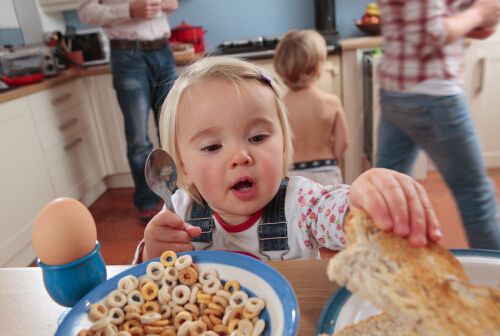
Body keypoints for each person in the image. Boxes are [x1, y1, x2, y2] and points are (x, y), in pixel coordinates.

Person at [133, 56, 442, 262]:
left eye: (257, 138)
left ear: (282, 144)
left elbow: (335, 214)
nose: (241, 156)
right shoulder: (180, 210)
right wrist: (153, 251)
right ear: (183, 167)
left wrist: (361, 202)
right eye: (213, 147)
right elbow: (152, 280)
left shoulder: (301, 202)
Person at [376, 0, 500, 249]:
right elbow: (428, 36)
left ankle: (381, 272)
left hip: (395, 94)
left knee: (387, 191)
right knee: (476, 196)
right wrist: (478, 14)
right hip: (434, 97)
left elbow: (417, 22)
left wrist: (467, 17)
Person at [78, 0, 178, 222]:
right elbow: (86, 12)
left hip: (164, 50)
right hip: (128, 55)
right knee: (138, 139)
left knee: (173, 129)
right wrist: (129, 10)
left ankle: (180, 195)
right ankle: (147, 201)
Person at [274, 29, 348, 186]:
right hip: (326, 171)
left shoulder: (278, 106)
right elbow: (343, 142)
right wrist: (331, 161)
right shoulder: (331, 101)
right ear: (317, 67)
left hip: (292, 174)